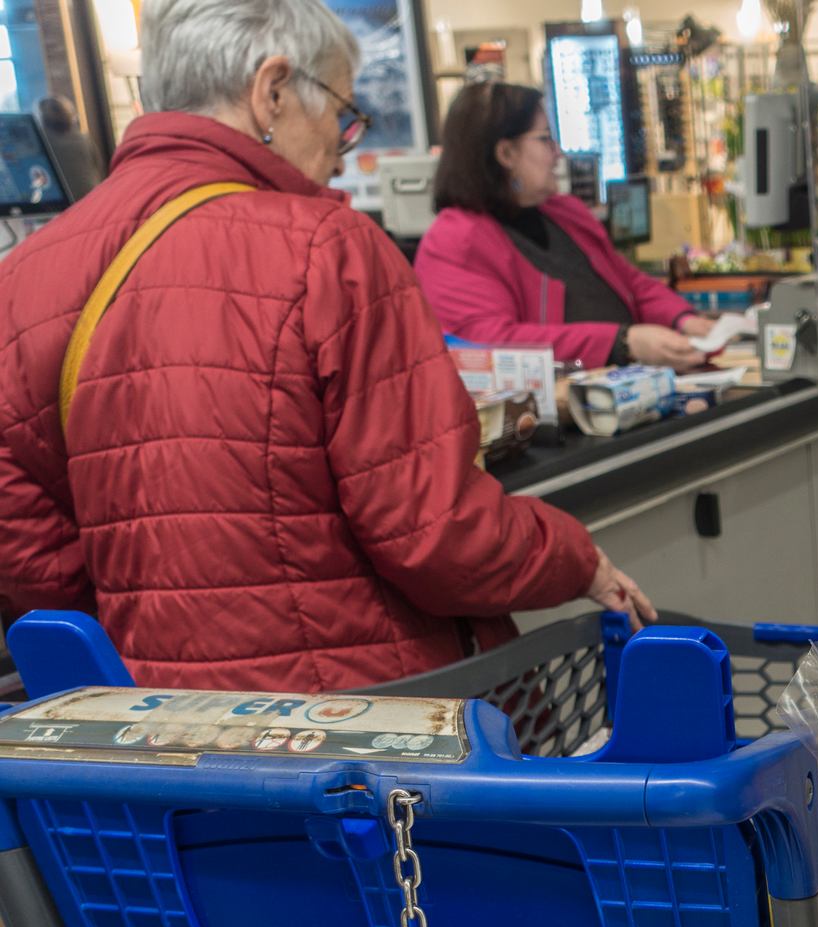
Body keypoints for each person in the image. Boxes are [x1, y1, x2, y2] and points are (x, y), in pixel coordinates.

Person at [0, 0, 651, 692]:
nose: (344, 150)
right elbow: (434, 529)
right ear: (271, 91)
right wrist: (574, 559)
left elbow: (21, 536)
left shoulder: (24, 276)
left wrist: (152, 621)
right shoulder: (328, 250)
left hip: (160, 745)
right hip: (367, 727)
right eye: (341, 113)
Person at [414, 81, 712, 372]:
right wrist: (622, 342)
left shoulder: (565, 212)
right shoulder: (455, 242)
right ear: (505, 154)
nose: (558, 153)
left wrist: (683, 319)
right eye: (545, 139)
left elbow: (631, 283)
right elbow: (491, 344)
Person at [35, 96, 104, 199]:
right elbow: (99, 170)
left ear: (43, 119)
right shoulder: (84, 140)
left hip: (65, 205)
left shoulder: (42, 143)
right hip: (94, 199)